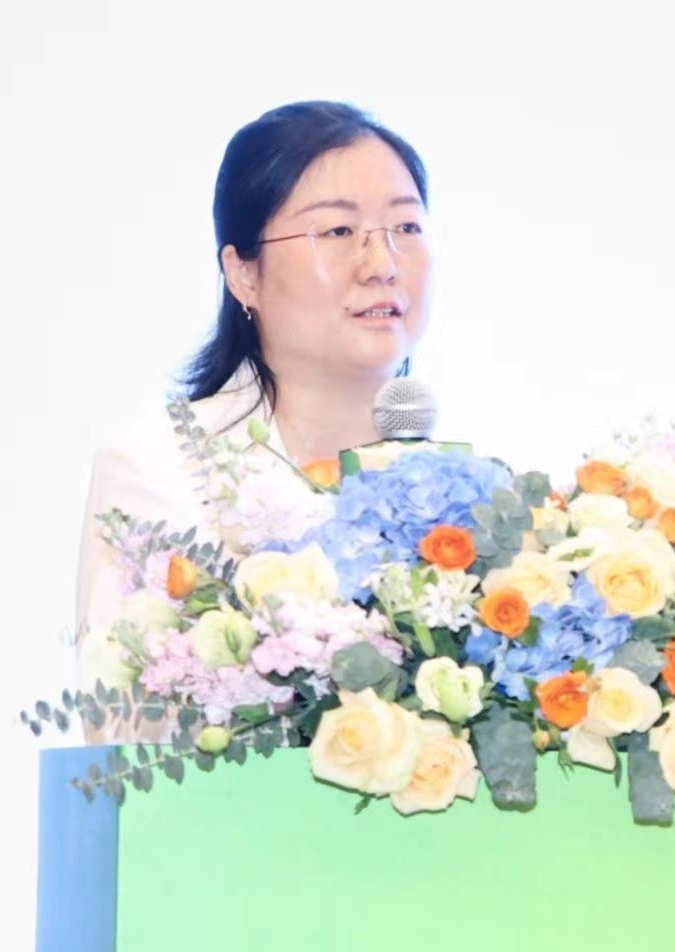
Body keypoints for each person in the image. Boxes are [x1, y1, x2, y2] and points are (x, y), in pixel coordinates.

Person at [73, 101, 434, 739]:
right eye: (338, 231)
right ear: (243, 272)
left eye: (406, 226)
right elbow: (125, 732)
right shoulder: (159, 468)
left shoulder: (459, 489)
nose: (382, 263)